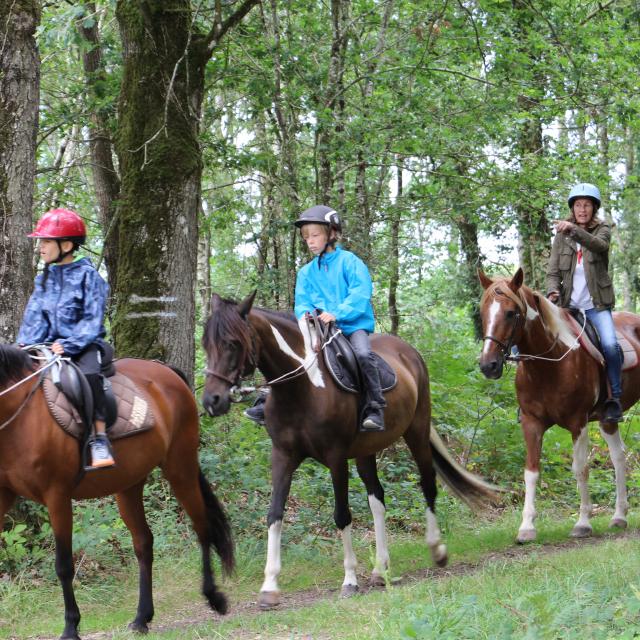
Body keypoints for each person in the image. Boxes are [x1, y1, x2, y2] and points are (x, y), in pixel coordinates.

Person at [17, 208, 115, 468]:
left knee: (91, 376)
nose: (40, 247)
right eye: (41, 241)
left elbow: (93, 319)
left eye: (46, 241)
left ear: (67, 245)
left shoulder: (89, 277)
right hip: (47, 347)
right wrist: (25, 345)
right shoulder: (43, 279)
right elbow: (34, 317)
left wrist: (70, 344)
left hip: (83, 346)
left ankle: (99, 438)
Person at [546, 183, 623, 423]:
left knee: (610, 345)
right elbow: (552, 272)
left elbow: (598, 246)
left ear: (594, 208)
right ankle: (536, 400)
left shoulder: (604, 229)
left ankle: (614, 398)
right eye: (578, 205)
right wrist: (551, 292)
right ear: (573, 208)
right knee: (538, 340)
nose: (582, 209)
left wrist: (573, 230)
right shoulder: (561, 237)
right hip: (568, 306)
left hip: (596, 306)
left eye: (587, 205)